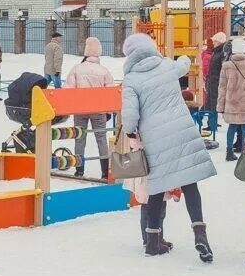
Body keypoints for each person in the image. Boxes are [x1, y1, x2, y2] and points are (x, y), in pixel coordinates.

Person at [120, 33, 217, 261]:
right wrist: (184, 57)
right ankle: (200, 234)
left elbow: (130, 115)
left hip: (155, 139)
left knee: (156, 187)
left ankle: (153, 242)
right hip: (181, 132)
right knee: (190, 184)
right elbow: (183, 65)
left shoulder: (131, 79)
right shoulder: (166, 66)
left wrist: (131, 132)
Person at [66, 36, 115, 179]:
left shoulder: (76, 69)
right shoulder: (104, 71)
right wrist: (108, 111)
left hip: (80, 110)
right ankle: (105, 172)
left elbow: (69, 90)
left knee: (79, 138)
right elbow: (110, 94)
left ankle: (79, 170)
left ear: (86, 52)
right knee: (101, 139)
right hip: (98, 110)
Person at [199, 31, 228, 148]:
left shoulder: (220, 53)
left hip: (216, 81)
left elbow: (222, 68)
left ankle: (212, 124)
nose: (213, 42)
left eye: (215, 40)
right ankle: (212, 123)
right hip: (212, 81)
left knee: (213, 102)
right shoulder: (217, 52)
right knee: (210, 102)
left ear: (219, 41)